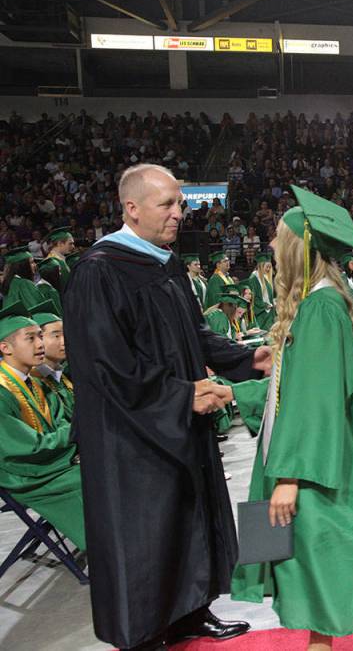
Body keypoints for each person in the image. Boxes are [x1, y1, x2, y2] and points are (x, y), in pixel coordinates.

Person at [63, 164, 270, 651]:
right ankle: (145, 632)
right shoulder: (99, 270)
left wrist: (245, 359)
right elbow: (105, 365)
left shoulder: (165, 263)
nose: (179, 213)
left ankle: (191, 611)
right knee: (145, 532)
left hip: (180, 421)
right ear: (131, 208)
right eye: (168, 205)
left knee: (187, 516)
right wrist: (179, 394)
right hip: (130, 432)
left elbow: (194, 334)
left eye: (180, 203)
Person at [230, 186, 353, 651]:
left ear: (298, 248)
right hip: (306, 453)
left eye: (277, 238)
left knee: (320, 554)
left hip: (310, 463)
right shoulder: (317, 304)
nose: (270, 245)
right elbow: (294, 389)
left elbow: (315, 402)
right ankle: (347, 638)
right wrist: (233, 393)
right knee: (311, 560)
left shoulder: (319, 309)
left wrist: (288, 477)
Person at [0, 302, 85, 550]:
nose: (40, 344)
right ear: (5, 348)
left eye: (40, 336)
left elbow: (58, 424)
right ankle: (110, 547)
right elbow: (26, 447)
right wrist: (80, 433)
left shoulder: (34, 383)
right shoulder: (3, 391)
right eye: (31, 338)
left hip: (49, 460)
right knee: (94, 477)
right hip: (24, 473)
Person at [29, 300, 74, 413]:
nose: (64, 341)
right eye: (56, 336)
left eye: (65, 334)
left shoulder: (65, 376)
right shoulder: (33, 382)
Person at [245, 252, 276, 330]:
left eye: (270, 267)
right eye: (267, 267)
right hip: (260, 315)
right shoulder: (253, 279)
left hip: (268, 314)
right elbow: (253, 298)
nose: (268, 269)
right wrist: (264, 305)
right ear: (260, 266)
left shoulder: (266, 278)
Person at [45, 226, 75, 290]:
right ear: (60, 243)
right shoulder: (54, 263)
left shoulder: (59, 259)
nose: (73, 247)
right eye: (70, 244)